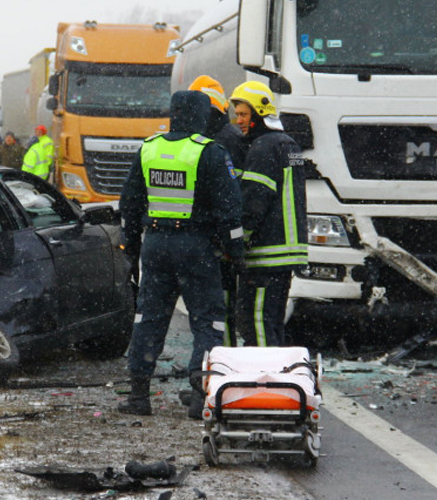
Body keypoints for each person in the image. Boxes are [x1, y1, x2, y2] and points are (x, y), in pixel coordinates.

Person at [117, 90, 244, 417]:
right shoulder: (210, 152)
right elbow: (230, 210)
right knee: (207, 321)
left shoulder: (149, 148)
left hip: (156, 244)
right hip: (196, 247)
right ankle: (201, 397)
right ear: (203, 116)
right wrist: (235, 252)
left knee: (149, 317)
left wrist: (131, 244)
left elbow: (130, 203)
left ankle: (139, 396)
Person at [230, 80, 308, 348]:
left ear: (259, 113)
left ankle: (264, 381)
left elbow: (254, 201)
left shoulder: (263, 147)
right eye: (237, 114)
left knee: (256, 322)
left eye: (243, 114)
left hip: (268, 255)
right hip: (286, 253)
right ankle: (276, 378)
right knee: (272, 323)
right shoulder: (288, 144)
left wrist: (238, 240)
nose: (238, 120)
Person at [188, 75, 247, 348]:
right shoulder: (227, 137)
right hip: (221, 237)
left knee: (219, 306)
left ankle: (221, 359)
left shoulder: (221, 143)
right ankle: (220, 358)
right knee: (221, 304)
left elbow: (228, 198)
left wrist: (228, 242)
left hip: (219, 238)